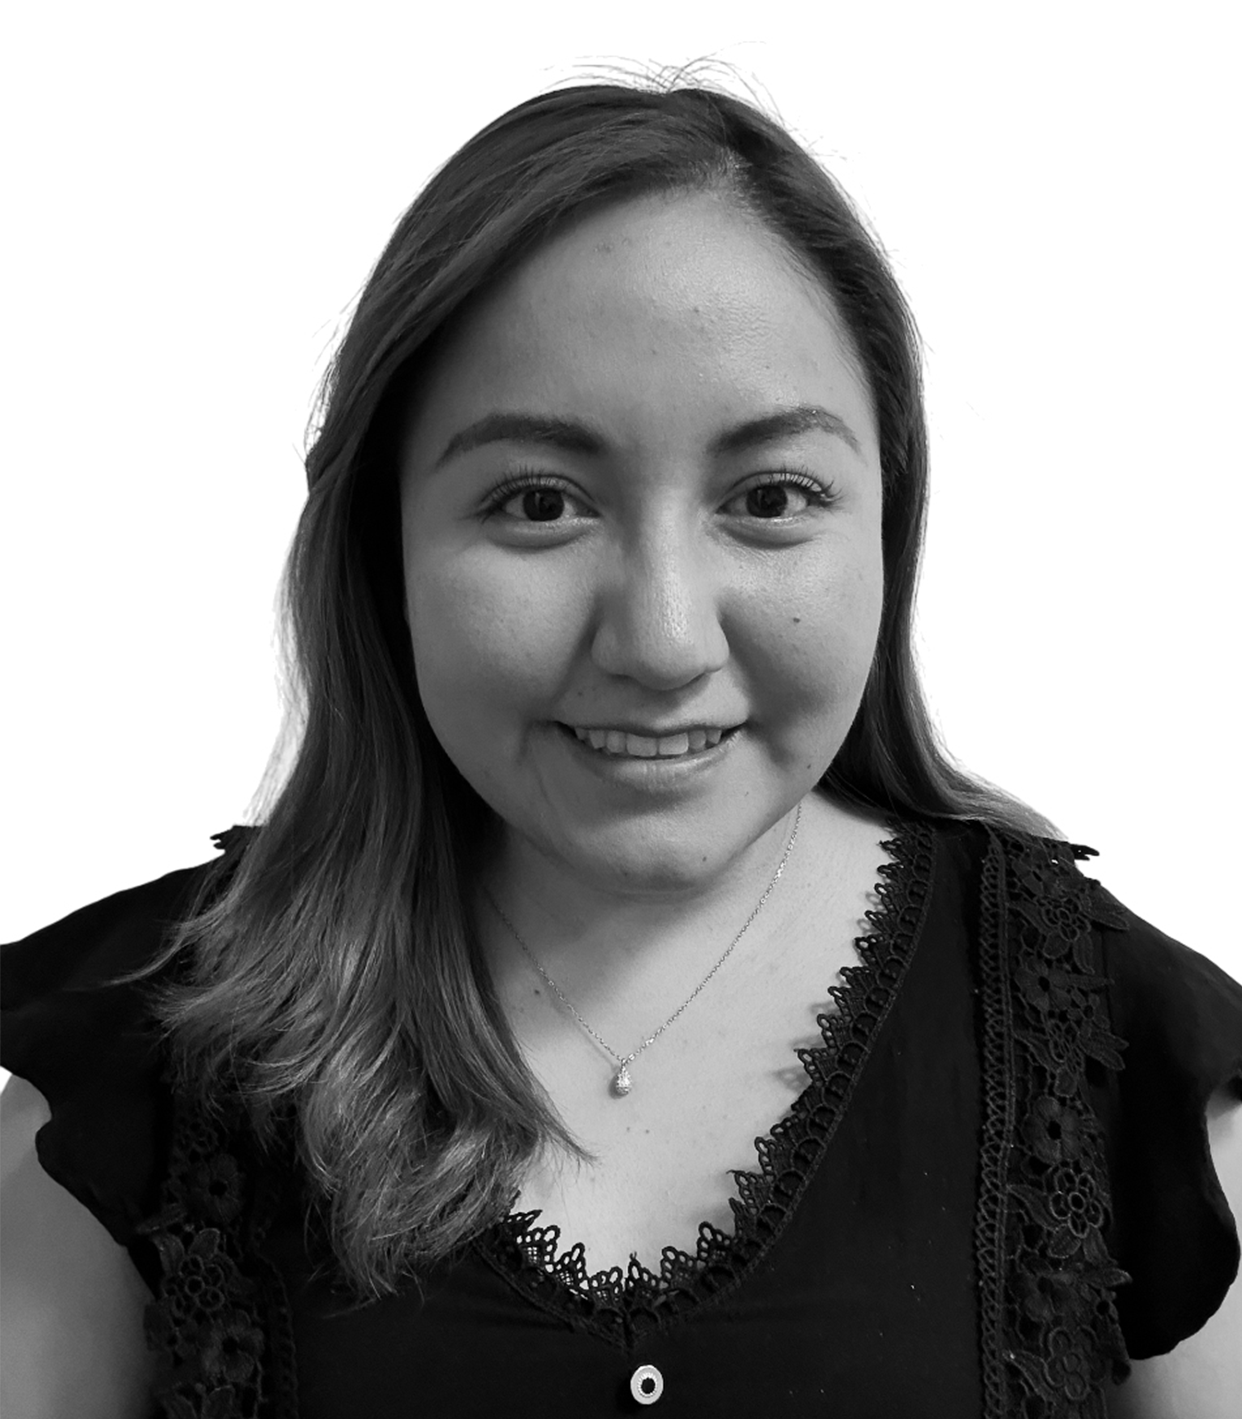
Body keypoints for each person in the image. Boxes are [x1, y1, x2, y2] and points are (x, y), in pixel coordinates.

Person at [2, 77, 1239, 1419]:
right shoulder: (128, 1085)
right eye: (538, 502)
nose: (659, 638)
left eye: (769, 498)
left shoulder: (1123, 1067)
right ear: (381, 548)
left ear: (885, 527)